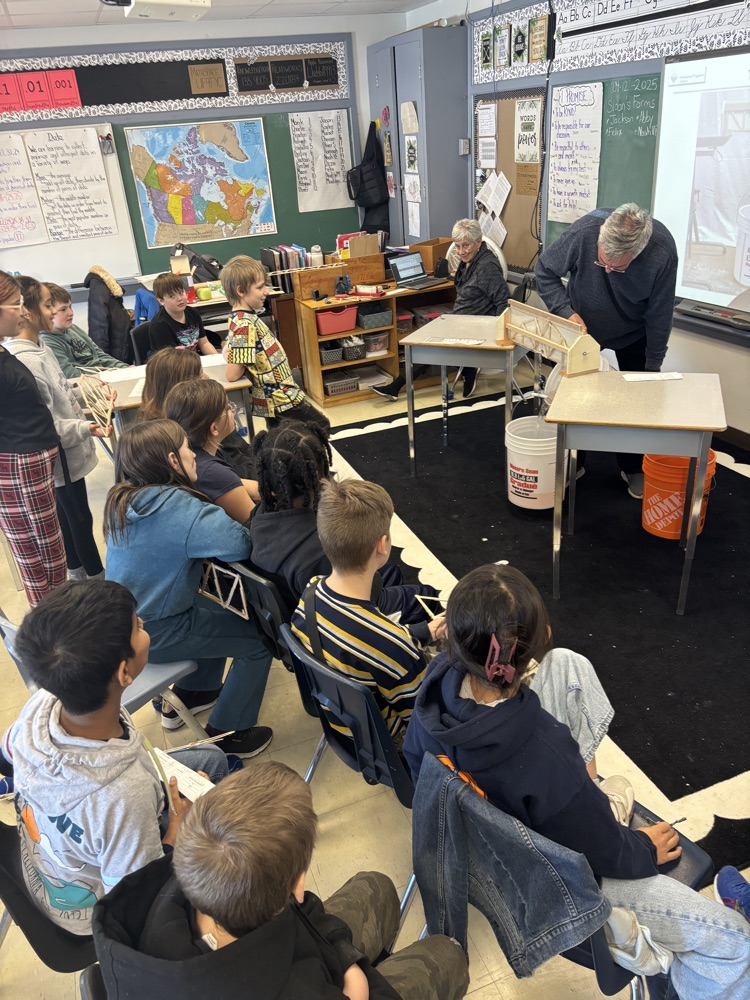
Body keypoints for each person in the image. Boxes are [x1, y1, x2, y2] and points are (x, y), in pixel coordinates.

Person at [404, 564, 750, 1000]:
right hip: (563, 878)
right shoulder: (543, 750)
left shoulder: (434, 692)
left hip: (487, 846)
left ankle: (592, 790)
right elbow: (601, 851)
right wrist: (644, 847)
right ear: (528, 651)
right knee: (736, 942)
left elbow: (421, 774)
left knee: (568, 667)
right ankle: (680, 983)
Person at [91, 761, 470, 1000]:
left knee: (377, 886)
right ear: (297, 886)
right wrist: (355, 989)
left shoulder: (166, 894)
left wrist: (178, 832)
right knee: (447, 953)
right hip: (306, 977)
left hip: (269, 959)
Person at [1, 579, 229, 935]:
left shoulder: (42, 704)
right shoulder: (123, 798)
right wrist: (175, 832)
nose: (144, 627)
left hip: (48, 859)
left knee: (212, 761)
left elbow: (7, 752)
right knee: (216, 784)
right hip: (95, 907)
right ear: (124, 673)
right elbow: (134, 897)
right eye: (138, 626)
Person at [104, 419, 273, 758]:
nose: (194, 456)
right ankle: (229, 732)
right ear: (171, 460)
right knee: (259, 640)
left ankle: (197, 690)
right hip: (157, 631)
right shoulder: (181, 509)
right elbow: (240, 544)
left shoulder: (123, 500)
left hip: (125, 623)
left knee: (219, 611)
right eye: (187, 449)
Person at [534, 203, 678, 498]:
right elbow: (545, 270)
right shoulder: (584, 233)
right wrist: (564, 310)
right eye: (603, 264)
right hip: (583, 326)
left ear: (638, 253)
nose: (609, 272)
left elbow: (660, 314)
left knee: (637, 402)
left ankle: (633, 466)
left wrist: (653, 368)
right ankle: (576, 461)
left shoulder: (662, 251)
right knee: (577, 398)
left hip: (634, 332)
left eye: (619, 267)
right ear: (599, 239)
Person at [292, 479, 443, 740]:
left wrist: (423, 631)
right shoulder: (395, 646)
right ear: (382, 546)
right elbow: (427, 720)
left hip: (340, 720)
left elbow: (369, 645)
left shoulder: (311, 592)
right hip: (387, 741)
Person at [250, 420, 439, 624]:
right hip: (345, 614)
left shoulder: (258, 514)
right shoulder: (318, 552)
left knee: (390, 570)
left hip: (298, 608)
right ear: (317, 477)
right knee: (426, 596)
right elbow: (350, 597)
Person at [5, 276, 110, 582]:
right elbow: (48, 422)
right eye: (48, 304)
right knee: (76, 521)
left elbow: (61, 393)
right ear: (26, 310)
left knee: (74, 519)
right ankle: (96, 583)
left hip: (69, 457)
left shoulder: (40, 347)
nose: (53, 311)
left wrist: (92, 397)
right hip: (57, 460)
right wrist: (86, 427)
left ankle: (80, 576)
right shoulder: (25, 359)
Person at [373, 218, 509, 401]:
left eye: (466, 246)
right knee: (427, 339)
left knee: (429, 345)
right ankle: (469, 368)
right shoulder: (469, 261)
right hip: (459, 319)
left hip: (474, 325)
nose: (461, 252)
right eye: (457, 246)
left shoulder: (487, 267)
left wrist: (492, 336)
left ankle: (396, 387)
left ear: (479, 242)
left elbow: (503, 303)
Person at [0, 270, 66, 606]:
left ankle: (60, 618)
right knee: (38, 557)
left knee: (52, 555)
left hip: (33, 465)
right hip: (19, 466)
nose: (24, 312)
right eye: (15, 306)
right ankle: (55, 629)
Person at [221, 254, 330, 433]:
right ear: (240, 291)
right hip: (281, 398)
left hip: (277, 398)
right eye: (260, 287)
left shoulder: (241, 318)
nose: (266, 291)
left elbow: (238, 349)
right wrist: (234, 359)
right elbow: (232, 374)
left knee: (281, 439)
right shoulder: (244, 325)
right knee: (321, 426)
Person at [138, 346, 255, 479]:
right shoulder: (198, 433)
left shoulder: (172, 426)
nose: (207, 377)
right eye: (200, 375)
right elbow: (238, 476)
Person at [164, 377, 258, 526]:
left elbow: (241, 484)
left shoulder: (197, 452)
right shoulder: (210, 471)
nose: (232, 410)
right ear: (214, 428)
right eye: (228, 408)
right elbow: (257, 524)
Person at [41, 282, 129, 379]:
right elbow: (71, 375)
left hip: (104, 378)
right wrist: (110, 375)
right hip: (89, 386)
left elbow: (100, 356)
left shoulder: (73, 329)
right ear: (47, 312)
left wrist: (126, 369)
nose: (70, 313)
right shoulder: (47, 342)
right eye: (63, 309)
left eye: (70, 307)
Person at [149, 272, 217, 356]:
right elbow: (171, 360)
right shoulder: (159, 325)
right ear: (161, 301)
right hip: (175, 365)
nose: (179, 298)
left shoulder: (192, 312)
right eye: (171, 296)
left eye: (181, 292)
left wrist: (218, 358)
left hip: (193, 361)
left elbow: (204, 344)